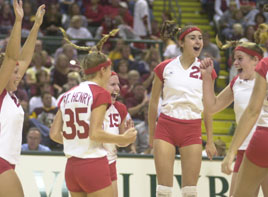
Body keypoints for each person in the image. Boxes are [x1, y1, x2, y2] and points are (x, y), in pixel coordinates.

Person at [50, 29, 137, 197]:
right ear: (102, 70)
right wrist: (122, 139)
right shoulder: (100, 93)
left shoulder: (67, 95)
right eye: (109, 70)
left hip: (71, 167)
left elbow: (54, 134)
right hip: (93, 164)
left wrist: (76, 142)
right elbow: (95, 133)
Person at [0, 1, 45, 196]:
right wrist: (18, 21)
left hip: (4, 162)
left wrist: (36, 26)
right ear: (2, 73)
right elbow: (11, 58)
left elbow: (23, 59)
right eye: (14, 72)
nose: (19, 74)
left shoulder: (7, 94)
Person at [148, 22, 217, 197]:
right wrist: (151, 133)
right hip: (166, 126)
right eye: (192, 38)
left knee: (190, 191)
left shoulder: (206, 70)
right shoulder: (164, 67)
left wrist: (210, 140)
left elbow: (209, 107)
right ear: (181, 42)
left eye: (200, 38)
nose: (198, 41)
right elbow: (153, 102)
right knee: (163, 190)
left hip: (192, 128)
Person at [201, 41, 268, 196]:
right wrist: (207, 79)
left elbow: (253, 111)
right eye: (234, 59)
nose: (235, 63)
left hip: (261, 143)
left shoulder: (264, 78)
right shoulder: (236, 82)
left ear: (256, 61)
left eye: (240, 58)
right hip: (245, 149)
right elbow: (212, 107)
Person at [103, 71, 131, 197]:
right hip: (92, 161)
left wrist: (128, 137)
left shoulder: (121, 109)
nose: (117, 88)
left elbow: (121, 143)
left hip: (111, 161)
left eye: (118, 85)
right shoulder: (91, 107)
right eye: (112, 84)